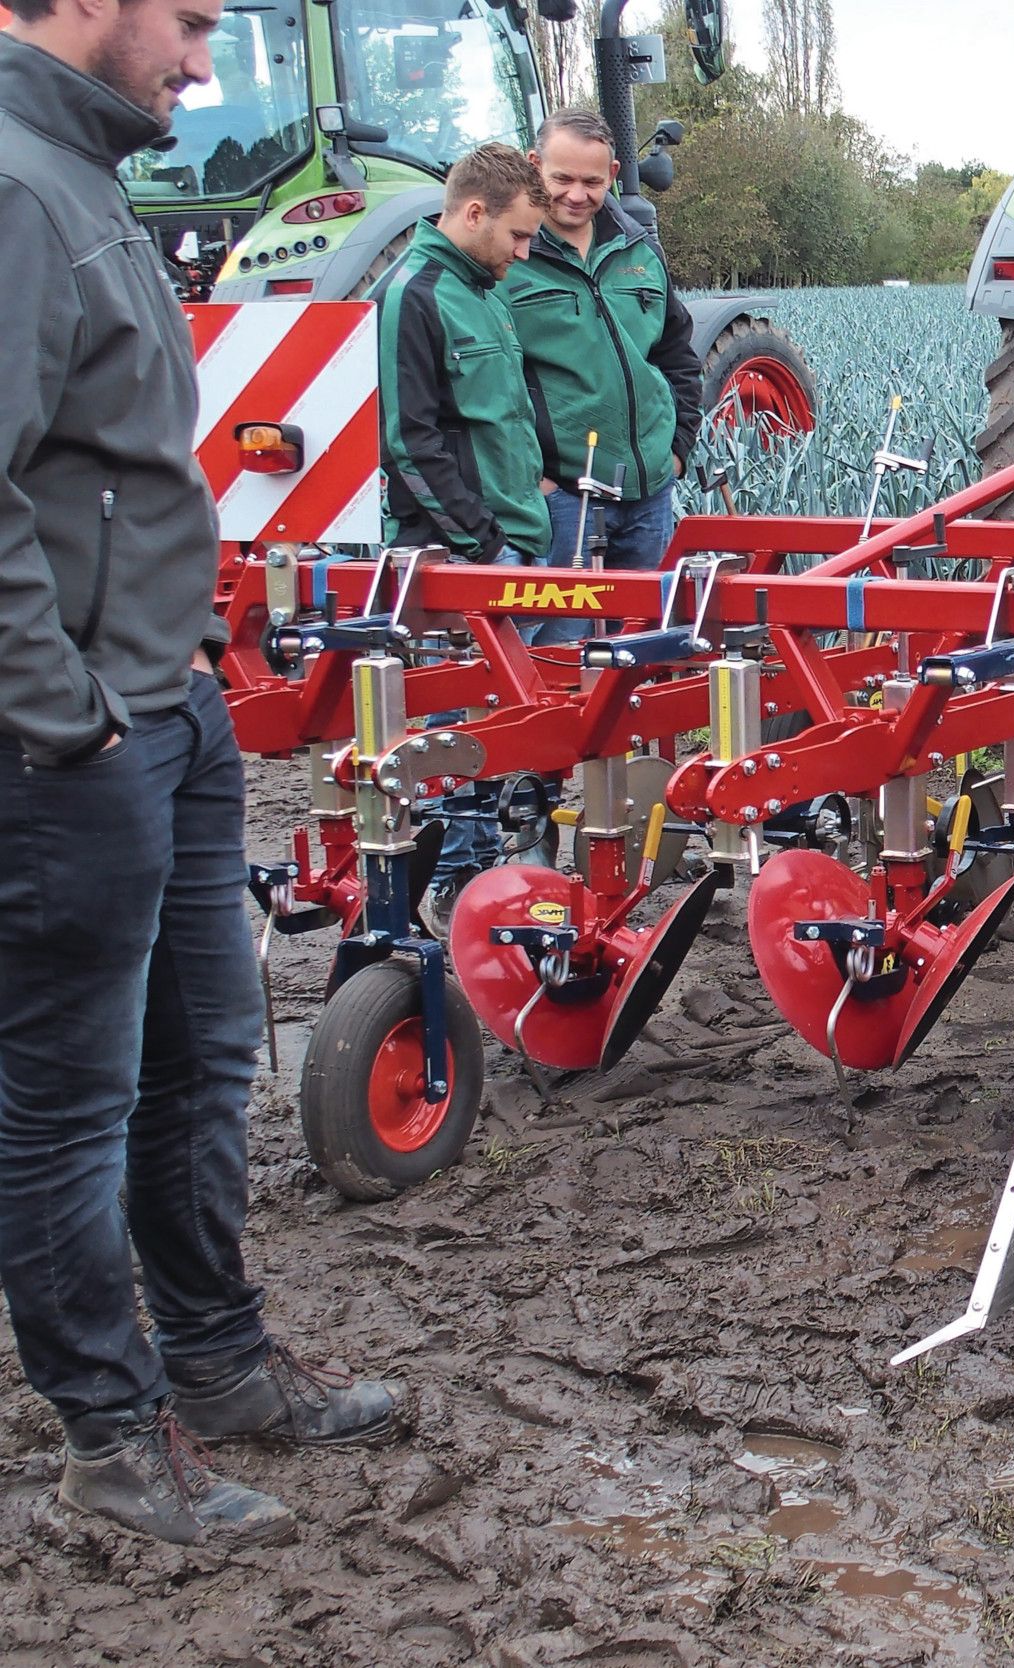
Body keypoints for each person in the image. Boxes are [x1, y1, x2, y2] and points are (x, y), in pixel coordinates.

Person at [0, 0, 405, 1550]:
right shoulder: (18, 185)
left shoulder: (81, 168)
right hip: (71, 740)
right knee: (68, 1101)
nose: (199, 63)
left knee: (201, 1047)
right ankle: (111, 1438)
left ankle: (223, 1364)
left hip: (161, 700)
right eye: (184, 23)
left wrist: (169, 682)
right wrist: (70, 713)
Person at [373, 141, 553, 924]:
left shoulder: (482, 289)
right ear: (472, 212)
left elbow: (496, 414)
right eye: (516, 236)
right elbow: (409, 441)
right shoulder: (415, 293)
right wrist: (482, 545)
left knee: (510, 717)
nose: (523, 253)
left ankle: (502, 875)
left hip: (513, 540)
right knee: (457, 724)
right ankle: (456, 879)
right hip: (461, 553)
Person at [507, 108, 703, 637]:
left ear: (614, 174)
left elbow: (677, 354)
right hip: (563, 498)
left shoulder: (637, 251)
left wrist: (678, 449)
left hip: (650, 494)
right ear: (533, 167)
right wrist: (536, 479)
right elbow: (490, 382)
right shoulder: (508, 257)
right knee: (563, 662)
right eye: (562, 179)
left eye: (592, 181)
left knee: (644, 652)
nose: (577, 194)